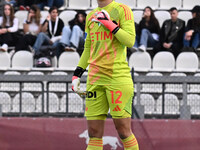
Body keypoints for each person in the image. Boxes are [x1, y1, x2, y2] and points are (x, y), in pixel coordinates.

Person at [71, 0, 139, 150]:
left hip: (117, 77)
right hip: (95, 79)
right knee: (94, 133)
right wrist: (77, 74)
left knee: (123, 131)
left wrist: (110, 25)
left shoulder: (122, 10)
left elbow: (130, 41)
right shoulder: (90, 16)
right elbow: (88, 48)